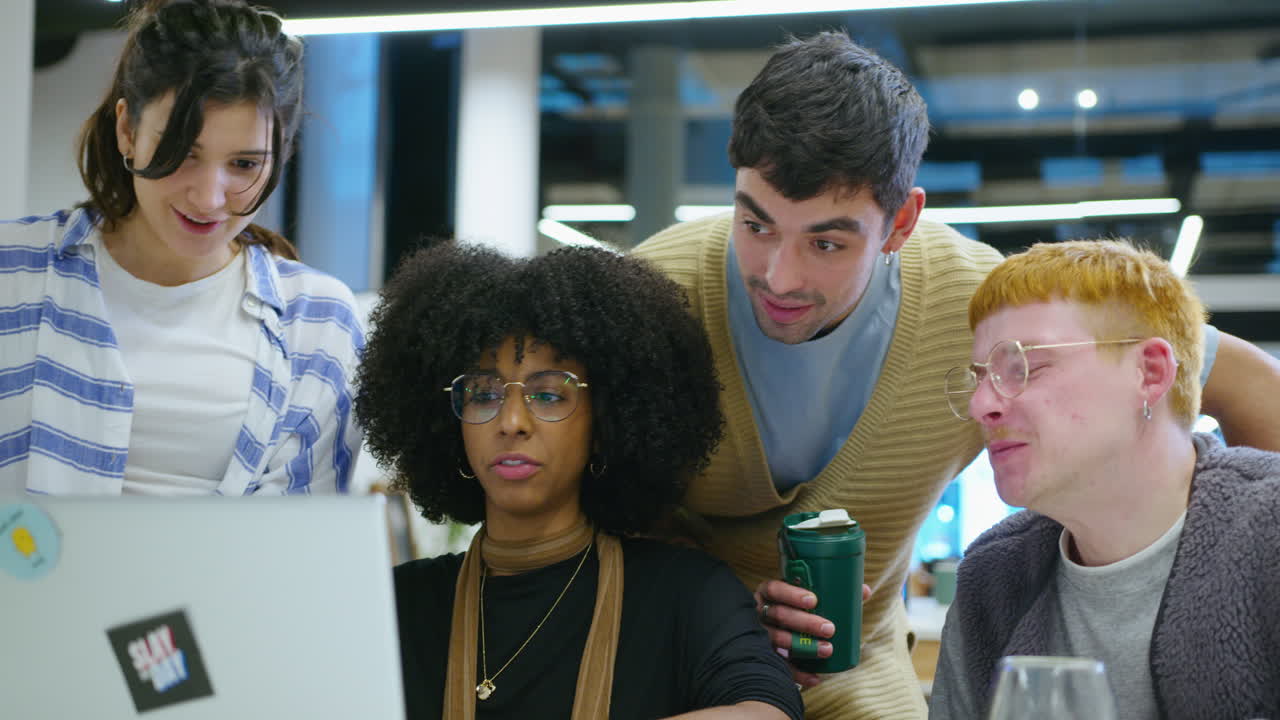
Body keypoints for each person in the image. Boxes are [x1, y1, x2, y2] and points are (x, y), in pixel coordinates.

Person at [632, 30, 1280, 718]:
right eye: (754, 224)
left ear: (902, 222)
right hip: (665, 647)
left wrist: (1241, 552)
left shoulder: (986, 308)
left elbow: (1247, 384)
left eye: (827, 242)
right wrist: (719, 611)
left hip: (856, 668)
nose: (778, 276)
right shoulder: (650, 295)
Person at [354, 242, 803, 720]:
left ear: (606, 420)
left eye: (548, 395)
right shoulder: (396, 606)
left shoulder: (684, 594)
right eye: (483, 393)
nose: (511, 422)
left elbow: (768, 710)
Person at [0, 0, 363, 495]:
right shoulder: (14, 272)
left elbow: (298, 548)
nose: (208, 198)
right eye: (182, 154)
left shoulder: (319, 323)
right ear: (127, 130)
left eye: (244, 165)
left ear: (283, 153)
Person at [928, 239, 1280, 719]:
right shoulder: (994, 581)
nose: (980, 406)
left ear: (1149, 373)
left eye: (1024, 367)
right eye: (981, 377)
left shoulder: (1266, 541)